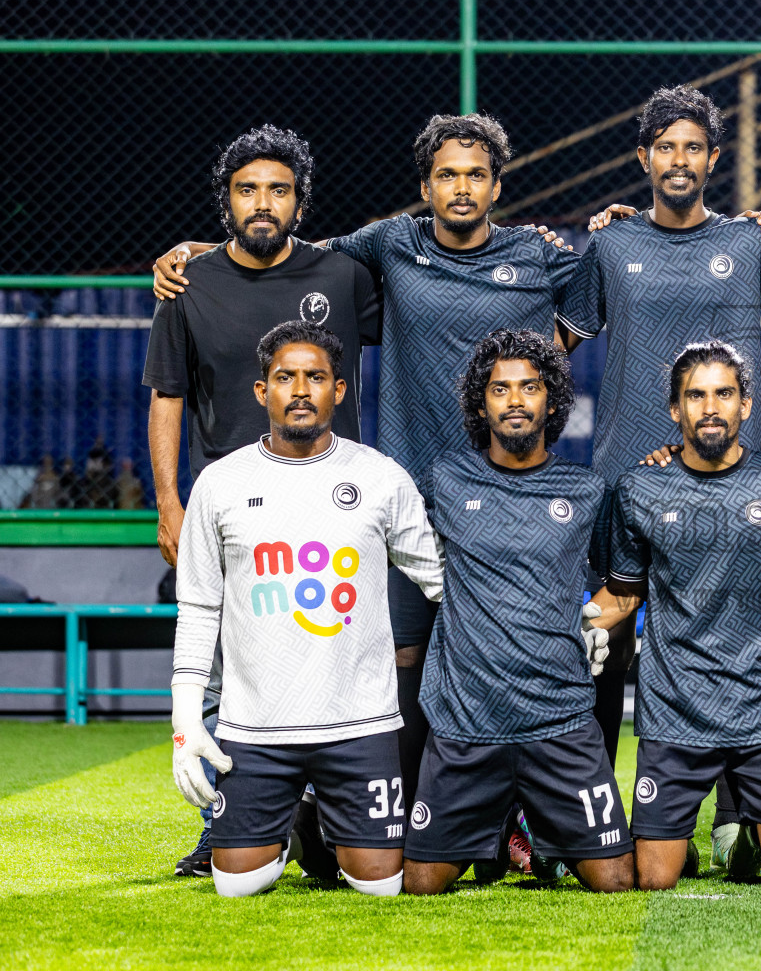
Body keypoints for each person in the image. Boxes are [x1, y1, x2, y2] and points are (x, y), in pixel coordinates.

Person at [152, 114, 582, 862]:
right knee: (381, 660)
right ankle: (330, 818)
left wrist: (600, 224)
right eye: (446, 174)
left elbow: (584, 318)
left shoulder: (523, 256)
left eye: (475, 173)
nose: (460, 186)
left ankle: (523, 822)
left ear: (497, 185)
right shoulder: (387, 245)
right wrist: (193, 252)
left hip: (488, 495)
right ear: (424, 187)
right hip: (370, 498)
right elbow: (271, 273)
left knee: (511, 652)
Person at [559, 86, 761, 873]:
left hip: (731, 485)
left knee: (745, 636)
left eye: (693, 147)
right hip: (624, 485)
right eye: (664, 147)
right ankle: (591, 815)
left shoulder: (748, 244)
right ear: (643, 159)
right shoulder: (608, 247)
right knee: (605, 643)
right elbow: (554, 347)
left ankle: (739, 819)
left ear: (712, 158)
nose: (679, 160)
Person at [142, 125, 379, 879]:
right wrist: (169, 503)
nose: (262, 202)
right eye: (248, 189)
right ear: (226, 201)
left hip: (336, 509)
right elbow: (167, 398)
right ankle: (228, 823)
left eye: (278, 189)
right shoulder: (190, 285)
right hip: (231, 513)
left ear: (300, 201)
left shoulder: (343, 274)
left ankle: (321, 816)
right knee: (225, 674)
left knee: (334, 663)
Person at [168, 321, 443, 897]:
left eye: (315, 377)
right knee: (236, 886)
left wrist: (542, 615)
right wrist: (186, 720)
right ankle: (295, 820)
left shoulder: (381, 478)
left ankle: (320, 828)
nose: (300, 389)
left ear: (338, 391)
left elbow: (442, 581)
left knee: (380, 887)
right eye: (284, 377)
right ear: (261, 392)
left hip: (360, 723)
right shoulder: (219, 485)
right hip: (256, 728)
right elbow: (197, 606)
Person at [587, 341, 761, 890]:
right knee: (652, 881)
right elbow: (623, 595)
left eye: (724, 393)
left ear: (745, 406)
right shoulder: (639, 488)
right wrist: (571, 628)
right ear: (675, 410)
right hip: (674, 711)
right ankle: (709, 836)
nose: (710, 406)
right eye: (695, 395)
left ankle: (749, 829)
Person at [403, 329, 632, 895]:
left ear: (550, 401)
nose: (514, 400)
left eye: (529, 387)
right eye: (499, 388)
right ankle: (510, 827)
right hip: (466, 722)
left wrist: (592, 622)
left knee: (617, 881)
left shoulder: (586, 490)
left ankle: (528, 825)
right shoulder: (447, 481)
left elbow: (626, 584)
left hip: (559, 719)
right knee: (420, 885)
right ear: (482, 404)